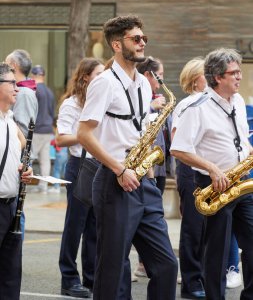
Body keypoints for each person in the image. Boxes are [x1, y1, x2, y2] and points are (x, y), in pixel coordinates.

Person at [77, 15, 178, 300]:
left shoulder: (144, 85)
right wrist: (120, 170)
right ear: (117, 45)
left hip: (142, 182)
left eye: (144, 38)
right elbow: (84, 134)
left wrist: (147, 175)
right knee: (113, 270)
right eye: (136, 39)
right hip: (114, 180)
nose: (143, 42)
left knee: (166, 265)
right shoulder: (104, 83)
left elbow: (142, 130)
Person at [171, 48, 253, 300]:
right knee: (216, 253)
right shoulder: (197, 107)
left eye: (239, 71)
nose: (239, 76)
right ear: (217, 77)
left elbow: (238, 139)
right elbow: (178, 148)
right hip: (214, 185)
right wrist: (212, 168)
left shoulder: (238, 101)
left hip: (241, 181)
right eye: (234, 73)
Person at [57, 58, 104, 298]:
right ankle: (68, 277)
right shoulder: (72, 104)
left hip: (97, 164)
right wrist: (84, 135)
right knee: (75, 224)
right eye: (98, 74)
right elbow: (61, 139)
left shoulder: (101, 102)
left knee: (94, 226)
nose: (102, 78)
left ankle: (91, 277)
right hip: (79, 165)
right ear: (85, 77)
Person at [171, 57, 207, 299]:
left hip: (207, 169)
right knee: (194, 228)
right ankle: (192, 282)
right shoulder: (187, 105)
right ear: (196, 80)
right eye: (207, 74)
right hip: (191, 169)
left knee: (207, 229)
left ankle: (203, 277)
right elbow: (178, 141)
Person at [134, 56, 171, 279]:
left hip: (157, 165)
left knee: (152, 216)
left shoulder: (155, 96)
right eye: (161, 75)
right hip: (141, 166)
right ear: (149, 74)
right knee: (140, 215)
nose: (162, 80)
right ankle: (140, 264)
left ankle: (146, 263)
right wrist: (150, 107)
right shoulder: (140, 94)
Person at [0, 62, 32, 300]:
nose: (17, 88)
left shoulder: (9, 120)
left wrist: (24, 169)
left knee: (11, 274)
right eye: (12, 83)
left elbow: (17, 153)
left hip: (11, 207)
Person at [5, 49, 38, 238]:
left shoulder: (23, 92)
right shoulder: (25, 90)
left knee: (16, 209)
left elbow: (23, 131)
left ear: (14, 67)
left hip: (17, 158)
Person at [30, 65, 55, 193]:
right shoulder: (49, 92)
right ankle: (43, 186)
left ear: (33, 76)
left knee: (29, 157)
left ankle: (19, 184)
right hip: (48, 130)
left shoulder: (34, 90)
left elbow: (31, 110)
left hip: (37, 129)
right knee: (45, 160)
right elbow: (52, 112)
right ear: (43, 76)